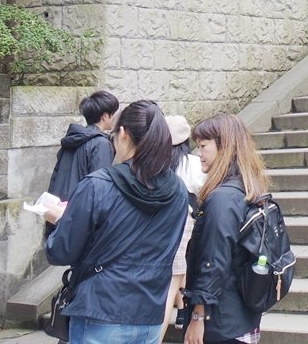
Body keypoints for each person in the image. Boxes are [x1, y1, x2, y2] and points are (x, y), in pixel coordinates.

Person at [44, 100, 189, 344]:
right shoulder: (178, 191)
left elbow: (61, 251)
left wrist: (61, 221)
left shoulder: (97, 185)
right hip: (150, 312)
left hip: (99, 309)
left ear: (122, 134)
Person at [183, 114, 271, 344]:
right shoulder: (247, 188)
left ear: (224, 147)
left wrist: (197, 316)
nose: (198, 153)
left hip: (220, 320)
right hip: (241, 316)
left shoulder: (222, 198)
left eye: (203, 146)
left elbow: (213, 261)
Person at [44, 90, 119, 239]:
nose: (117, 117)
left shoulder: (73, 139)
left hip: (60, 212)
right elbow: (100, 188)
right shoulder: (101, 144)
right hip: (82, 218)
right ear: (105, 116)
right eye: (115, 113)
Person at [161, 115, 206, 343]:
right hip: (185, 224)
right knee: (172, 284)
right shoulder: (193, 163)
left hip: (160, 229)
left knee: (173, 279)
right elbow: (203, 189)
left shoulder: (156, 163)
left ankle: (181, 309)